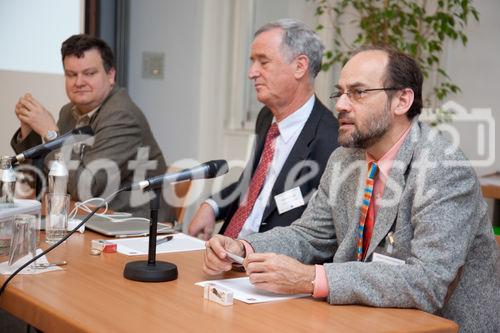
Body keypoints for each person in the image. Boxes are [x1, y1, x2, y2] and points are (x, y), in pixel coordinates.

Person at [203, 46, 500, 332]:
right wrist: (245, 248)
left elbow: (427, 283)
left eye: (357, 92)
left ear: (402, 101)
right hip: (363, 316)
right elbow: (309, 236)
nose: (341, 105)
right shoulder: (344, 159)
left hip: (438, 325)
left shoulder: (442, 167)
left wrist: (311, 278)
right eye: (340, 93)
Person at [188, 19, 339, 240]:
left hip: (268, 262)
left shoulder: (330, 140)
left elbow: (317, 232)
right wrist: (212, 206)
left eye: (263, 62)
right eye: (252, 62)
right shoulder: (266, 117)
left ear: (300, 66)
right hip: (225, 251)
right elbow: (253, 184)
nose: (252, 73)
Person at [11, 34, 175, 221]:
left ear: (110, 75)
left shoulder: (122, 116)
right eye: (71, 75)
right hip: (92, 219)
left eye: (89, 73)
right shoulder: (69, 112)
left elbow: (87, 189)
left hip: (136, 226)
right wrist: (29, 129)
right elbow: (41, 181)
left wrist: (51, 135)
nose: (79, 82)